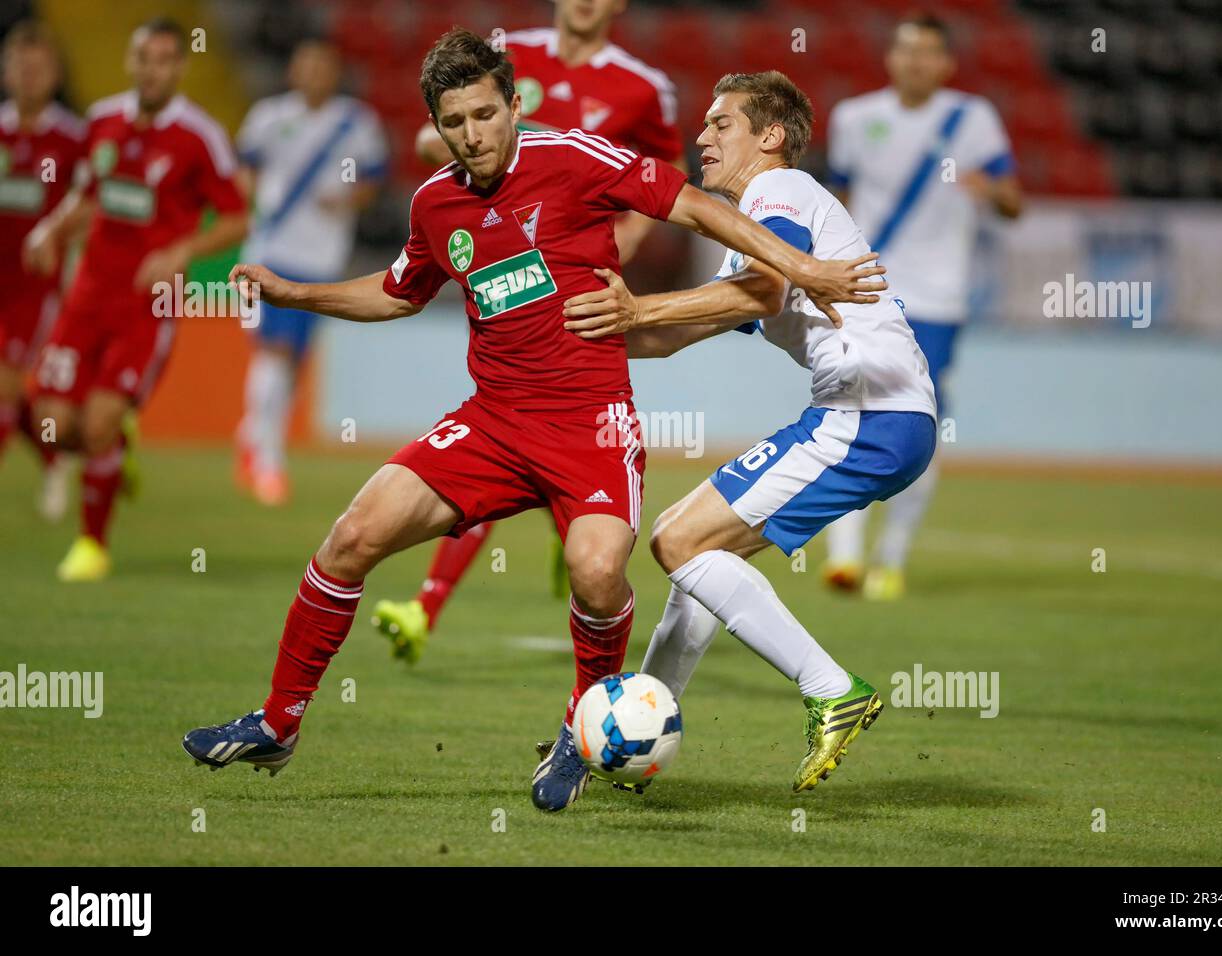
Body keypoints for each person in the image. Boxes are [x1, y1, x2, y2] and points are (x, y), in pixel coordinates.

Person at [182, 28, 886, 813]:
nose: (473, 135)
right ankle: (279, 721)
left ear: (514, 106)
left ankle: (578, 738)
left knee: (595, 572)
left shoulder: (577, 158)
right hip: (490, 423)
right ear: (437, 127)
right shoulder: (435, 202)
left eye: (486, 115)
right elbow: (397, 290)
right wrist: (296, 293)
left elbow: (691, 206)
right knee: (352, 535)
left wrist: (802, 267)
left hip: (592, 426)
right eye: (455, 123)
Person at [560, 71, 937, 792]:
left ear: (770, 137)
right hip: (881, 416)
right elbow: (678, 332)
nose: (701, 139)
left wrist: (636, 310)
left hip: (866, 413)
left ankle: (832, 687)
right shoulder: (755, 233)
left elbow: (763, 292)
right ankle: (636, 733)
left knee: (676, 540)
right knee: (702, 559)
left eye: (720, 124)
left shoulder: (780, 191)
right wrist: (570, 336)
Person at [376, 0, 685, 658]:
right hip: (506, 264)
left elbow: (664, 173)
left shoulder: (642, 85)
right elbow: (431, 142)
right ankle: (431, 603)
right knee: (503, 424)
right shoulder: (503, 53)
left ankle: (572, 531)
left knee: (555, 423)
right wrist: (455, 144)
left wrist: (620, 240)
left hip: (580, 283)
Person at [23, 17, 248, 581]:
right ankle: (114, 453)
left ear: (180, 67)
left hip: (149, 305)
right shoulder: (101, 121)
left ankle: (91, 547)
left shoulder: (199, 136)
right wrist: (50, 230)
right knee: (53, 420)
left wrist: (182, 252)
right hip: (87, 294)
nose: (153, 70)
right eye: (144, 58)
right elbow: (87, 195)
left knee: (96, 423)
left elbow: (237, 216)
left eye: (165, 60)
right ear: (131, 62)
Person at [821, 13, 1022, 600]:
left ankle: (891, 557)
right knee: (851, 401)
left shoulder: (973, 119)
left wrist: (992, 192)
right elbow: (835, 199)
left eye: (928, 52)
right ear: (891, 58)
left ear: (945, 63)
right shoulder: (856, 118)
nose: (915, 61)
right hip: (867, 285)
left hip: (938, 297)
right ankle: (846, 554)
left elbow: (1014, 203)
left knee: (920, 421)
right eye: (906, 50)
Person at [233, 38, 387, 506]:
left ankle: (252, 433)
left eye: (324, 66)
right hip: (272, 250)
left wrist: (344, 199)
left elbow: (375, 181)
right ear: (294, 71)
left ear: (335, 72)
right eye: (307, 65)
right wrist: (258, 205)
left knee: (292, 360)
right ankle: (268, 459)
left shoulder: (357, 123)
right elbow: (243, 170)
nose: (314, 73)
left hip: (322, 260)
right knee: (275, 351)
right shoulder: (268, 118)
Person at [0, 21, 84, 519]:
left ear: (53, 74)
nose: (29, 77)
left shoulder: (71, 138)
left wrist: (58, 238)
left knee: (7, 382)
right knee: (11, 389)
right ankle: (55, 457)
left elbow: (92, 204)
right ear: (7, 72)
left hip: (37, 287)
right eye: (20, 67)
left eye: (38, 68)